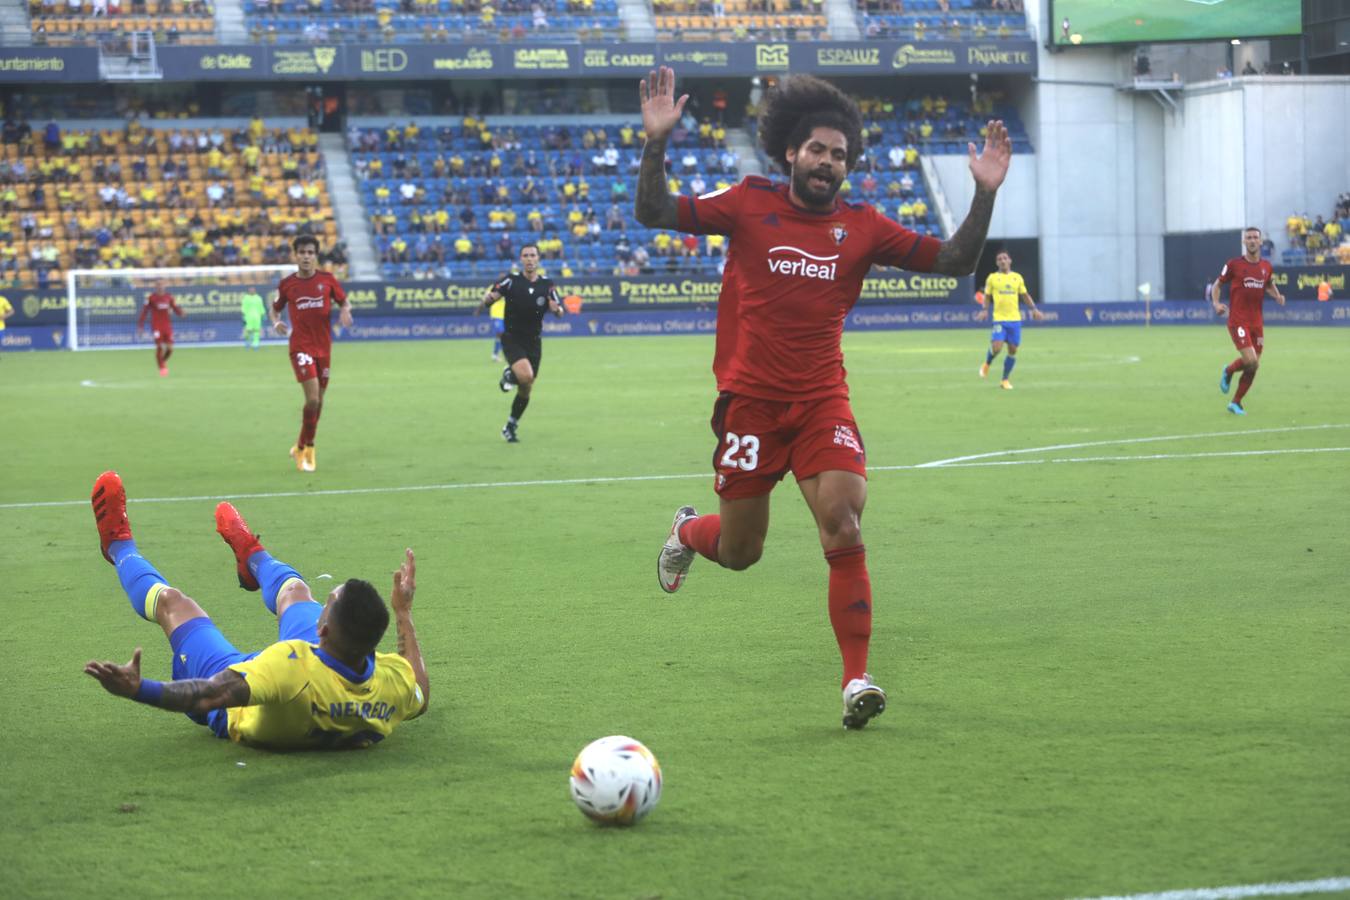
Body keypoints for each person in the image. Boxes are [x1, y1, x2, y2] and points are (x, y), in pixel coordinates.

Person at [636, 67, 1010, 729]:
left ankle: (855, 679)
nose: (829, 162)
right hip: (749, 405)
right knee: (740, 552)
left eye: (840, 155)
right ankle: (687, 532)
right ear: (790, 152)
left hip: (819, 404)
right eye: (818, 150)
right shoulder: (748, 202)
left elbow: (953, 260)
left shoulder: (864, 227)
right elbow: (655, 211)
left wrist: (983, 195)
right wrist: (656, 143)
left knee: (843, 519)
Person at [84, 471, 429, 749]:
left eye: (328, 604)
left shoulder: (288, 669)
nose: (324, 605)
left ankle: (117, 546)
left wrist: (137, 688)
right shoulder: (388, 683)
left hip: (241, 702)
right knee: (295, 591)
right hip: (324, 667)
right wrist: (404, 612)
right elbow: (420, 694)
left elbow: (209, 695)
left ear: (323, 630)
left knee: (173, 603)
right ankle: (252, 556)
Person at [269, 235, 353, 472]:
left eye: (310, 252)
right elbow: (275, 310)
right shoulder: (287, 284)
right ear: (295, 255)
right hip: (301, 347)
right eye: (302, 252)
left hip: (324, 347)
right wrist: (276, 324)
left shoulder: (327, 280)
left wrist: (346, 311)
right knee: (313, 399)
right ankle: (307, 450)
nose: (306, 257)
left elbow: (344, 302)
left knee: (319, 402)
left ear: (316, 255)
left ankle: (300, 446)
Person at [474, 244, 564, 443]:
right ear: (521, 259)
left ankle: (511, 424)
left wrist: (556, 309)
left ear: (539, 259)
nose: (530, 259)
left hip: (534, 341)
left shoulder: (547, 284)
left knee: (526, 386)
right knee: (526, 375)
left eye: (533, 255)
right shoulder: (511, 280)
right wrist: (488, 299)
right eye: (526, 256)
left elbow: (559, 311)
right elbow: (491, 297)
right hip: (513, 337)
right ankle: (510, 373)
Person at [1211, 226, 1285, 416]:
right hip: (1238, 320)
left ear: (1260, 242)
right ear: (1244, 242)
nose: (1252, 240)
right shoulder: (1234, 264)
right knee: (1250, 360)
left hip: (1257, 322)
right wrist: (1216, 303)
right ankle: (1228, 370)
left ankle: (1235, 402)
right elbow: (1217, 284)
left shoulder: (1266, 266)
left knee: (1254, 365)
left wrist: (1277, 295)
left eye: (1255, 237)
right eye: (1249, 238)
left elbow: (1268, 283)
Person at [974, 250, 1044, 389]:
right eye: (999, 259)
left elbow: (1025, 295)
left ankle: (1004, 380)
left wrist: (1034, 309)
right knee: (997, 347)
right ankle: (987, 363)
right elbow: (987, 296)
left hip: (1015, 320)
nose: (1002, 261)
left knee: (1012, 350)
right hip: (999, 319)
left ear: (1010, 261)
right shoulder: (992, 278)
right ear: (997, 263)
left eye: (1005, 258)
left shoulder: (1017, 278)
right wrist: (984, 310)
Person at [136, 280, 184, 377]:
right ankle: (162, 368)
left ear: (165, 286)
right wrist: (140, 326)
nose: (160, 287)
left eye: (162, 285)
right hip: (156, 326)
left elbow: (174, 307)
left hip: (167, 326)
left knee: (170, 349)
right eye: (158, 285)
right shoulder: (151, 298)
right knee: (160, 347)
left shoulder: (169, 297)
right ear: (155, 287)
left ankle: (161, 361)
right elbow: (144, 312)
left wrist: (180, 313)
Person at [488, 293, 506, 360]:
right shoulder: (493, 288)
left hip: (506, 315)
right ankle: (495, 353)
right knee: (500, 332)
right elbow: (487, 299)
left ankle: (500, 353)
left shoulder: (508, 286)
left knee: (504, 335)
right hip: (497, 315)